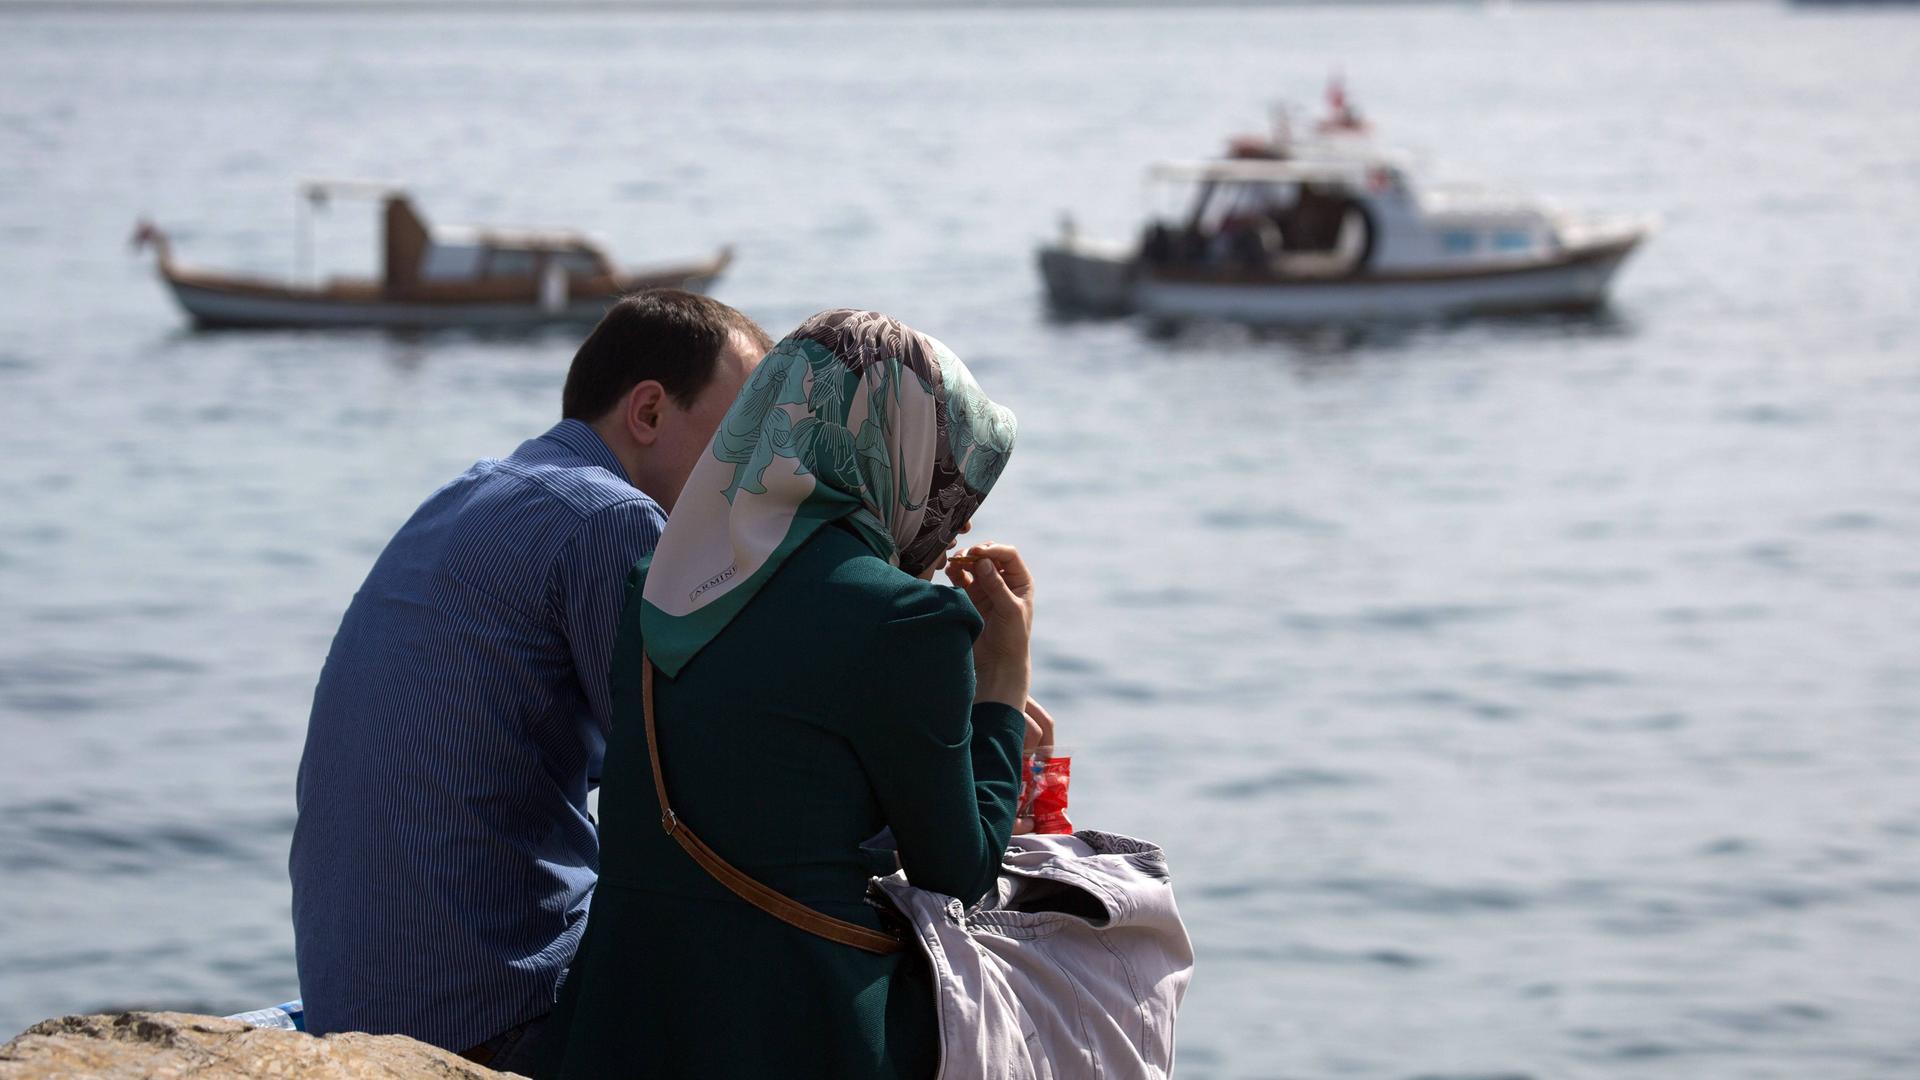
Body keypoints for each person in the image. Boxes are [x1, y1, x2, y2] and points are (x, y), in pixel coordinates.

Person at [287, 289, 772, 1072]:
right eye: (739, 444)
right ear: (648, 412)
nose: (749, 481)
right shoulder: (615, 520)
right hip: (492, 1011)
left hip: (356, 1002)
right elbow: (708, 788)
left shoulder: (469, 494)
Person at [535, 309, 1026, 1079]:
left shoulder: (658, 587)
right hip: (798, 1030)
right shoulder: (906, 620)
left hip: (616, 1027)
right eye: (951, 481)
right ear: (902, 454)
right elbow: (959, 875)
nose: (953, 520)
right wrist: (1000, 687)